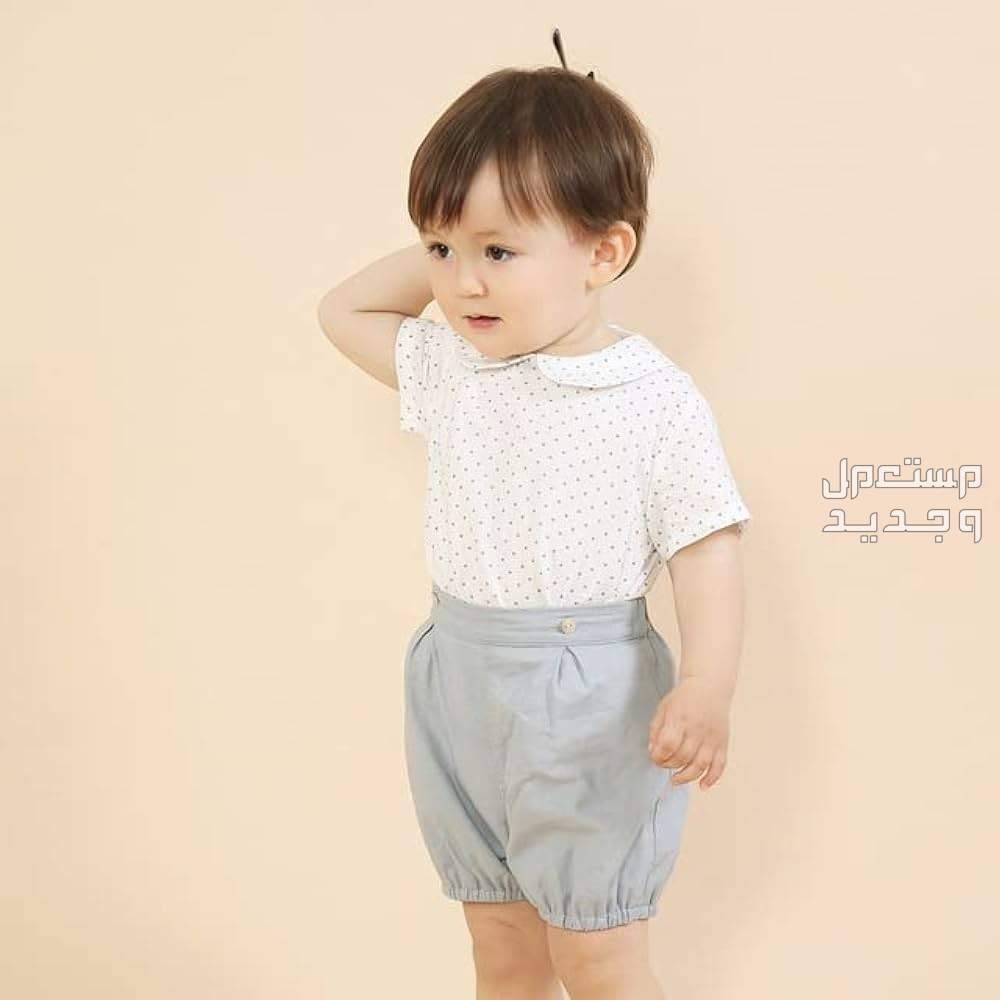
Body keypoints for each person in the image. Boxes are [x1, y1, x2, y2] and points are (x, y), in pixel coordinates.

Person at [316, 29, 752, 1000]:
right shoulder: (456, 369)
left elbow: (706, 548)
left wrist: (708, 685)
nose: (461, 282)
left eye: (499, 252)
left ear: (604, 252)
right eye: (440, 249)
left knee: (596, 953)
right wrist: (462, 236)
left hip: (588, 699)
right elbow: (342, 311)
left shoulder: (650, 398)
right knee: (501, 943)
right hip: (460, 685)